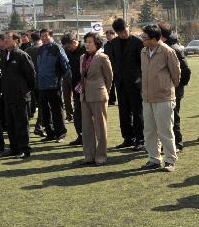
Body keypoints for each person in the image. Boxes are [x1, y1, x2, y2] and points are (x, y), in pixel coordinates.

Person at [140, 24, 182, 171]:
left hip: (164, 97)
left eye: (145, 37)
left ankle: (170, 160)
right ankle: (154, 159)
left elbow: (176, 74)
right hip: (147, 98)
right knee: (149, 131)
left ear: (154, 39)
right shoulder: (144, 51)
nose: (142, 39)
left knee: (165, 131)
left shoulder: (167, 51)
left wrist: (167, 88)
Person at [106, 18, 145, 150]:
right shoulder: (114, 43)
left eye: (124, 31)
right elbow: (112, 62)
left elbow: (143, 64)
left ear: (128, 27)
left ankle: (140, 139)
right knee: (123, 112)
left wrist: (140, 79)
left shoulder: (138, 42)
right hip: (120, 83)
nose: (123, 34)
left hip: (135, 83)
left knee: (138, 112)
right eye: (120, 32)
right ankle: (128, 138)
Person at [78, 32, 113, 165]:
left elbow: (109, 78)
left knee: (100, 127)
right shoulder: (82, 57)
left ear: (97, 43)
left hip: (98, 95)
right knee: (86, 128)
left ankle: (101, 155)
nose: (87, 44)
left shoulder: (102, 57)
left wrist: (105, 92)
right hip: (84, 95)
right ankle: (89, 155)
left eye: (90, 41)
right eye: (86, 41)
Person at [1, 31, 37, 158]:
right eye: (4, 38)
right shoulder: (4, 54)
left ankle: (24, 149)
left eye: (8, 38)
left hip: (20, 96)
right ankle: (14, 147)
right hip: (8, 96)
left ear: (16, 41)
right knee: (10, 124)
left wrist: (25, 90)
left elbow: (31, 76)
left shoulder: (22, 55)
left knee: (21, 123)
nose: (5, 40)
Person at [158, 22, 191, 151]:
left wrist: (178, 85)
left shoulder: (173, 49)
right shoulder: (164, 47)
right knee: (165, 117)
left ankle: (177, 142)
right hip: (166, 89)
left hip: (174, 89)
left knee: (173, 116)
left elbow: (186, 70)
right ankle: (165, 144)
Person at [36, 29, 71, 142]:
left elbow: (65, 65)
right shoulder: (40, 49)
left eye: (46, 36)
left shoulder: (57, 48)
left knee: (57, 110)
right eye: (42, 36)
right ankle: (50, 133)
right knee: (45, 111)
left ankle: (61, 133)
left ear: (51, 36)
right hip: (41, 85)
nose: (44, 38)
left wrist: (58, 79)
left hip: (54, 85)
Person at [62, 33, 86, 146]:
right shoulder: (67, 52)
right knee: (77, 114)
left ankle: (89, 137)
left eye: (68, 46)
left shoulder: (85, 50)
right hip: (75, 86)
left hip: (87, 87)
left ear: (74, 42)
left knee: (87, 114)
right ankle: (80, 136)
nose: (67, 49)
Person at [103, 29, 118, 105]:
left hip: (118, 68)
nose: (107, 37)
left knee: (119, 85)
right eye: (107, 35)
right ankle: (111, 100)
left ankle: (121, 100)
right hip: (109, 68)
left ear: (114, 34)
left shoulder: (118, 43)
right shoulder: (106, 45)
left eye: (109, 35)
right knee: (110, 84)